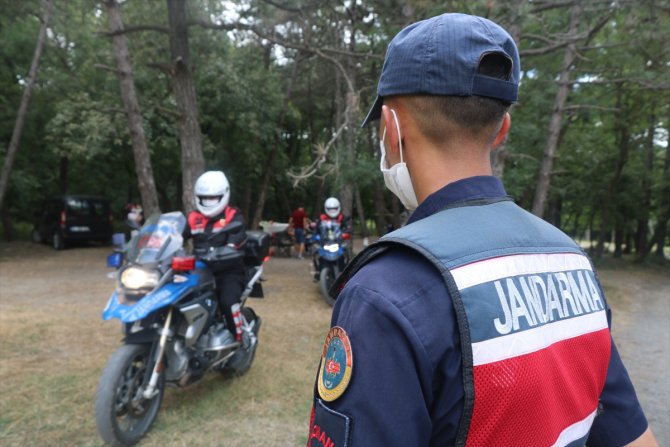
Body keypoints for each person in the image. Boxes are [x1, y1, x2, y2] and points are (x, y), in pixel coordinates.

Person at [306, 13, 657, 447]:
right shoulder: (571, 261)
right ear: (501, 131)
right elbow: (633, 437)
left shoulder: (385, 292)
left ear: (390, 130)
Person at [184, 170, 247, 341]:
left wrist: (230, 247)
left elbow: (237, 235)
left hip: (228, 270)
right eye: (204, 198)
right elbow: (175, 235)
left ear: (223, 195)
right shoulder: (193, 217)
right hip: (199, 270)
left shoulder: (232, 215)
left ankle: (239, 339)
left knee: (227, 301)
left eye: (213, 198)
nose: (208, 201)